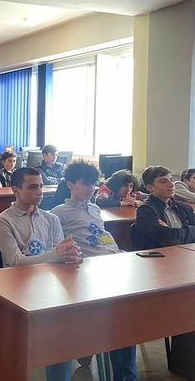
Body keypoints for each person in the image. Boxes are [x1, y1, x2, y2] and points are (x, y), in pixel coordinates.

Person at [0, 167, 82, 381]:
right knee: (59, 325)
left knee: (83, 313)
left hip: (50, 284)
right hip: (19, 289)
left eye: (41, 186)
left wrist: (71, 254)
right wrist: (56, 255)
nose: (40, 192)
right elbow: (16, 262)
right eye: (33, 187)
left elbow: (60, 256)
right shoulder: (3, 221)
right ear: (15, 189)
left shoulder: (51, 219)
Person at [50, 162, 137, 380]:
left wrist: (119, 253)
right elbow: (56, 248)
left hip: (113, 262)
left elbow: (102, 237)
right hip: (88, 269)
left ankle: (123, 371)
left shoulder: (95, 209)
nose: (91, 188)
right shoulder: (57, 213)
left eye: (93, 184)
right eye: (85, 184)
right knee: (121, 315)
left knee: (131, 313)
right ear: (70, 184)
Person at [133, 165, 195, 250]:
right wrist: (189, 230)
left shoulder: (185, 208)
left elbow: (173, 236)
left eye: (171, 180)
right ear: (150, 187)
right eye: (163, 181)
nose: (171, 184)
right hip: (159, 256)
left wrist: (171, 230)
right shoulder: (145, 210)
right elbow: (169, 239)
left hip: (185, 253)